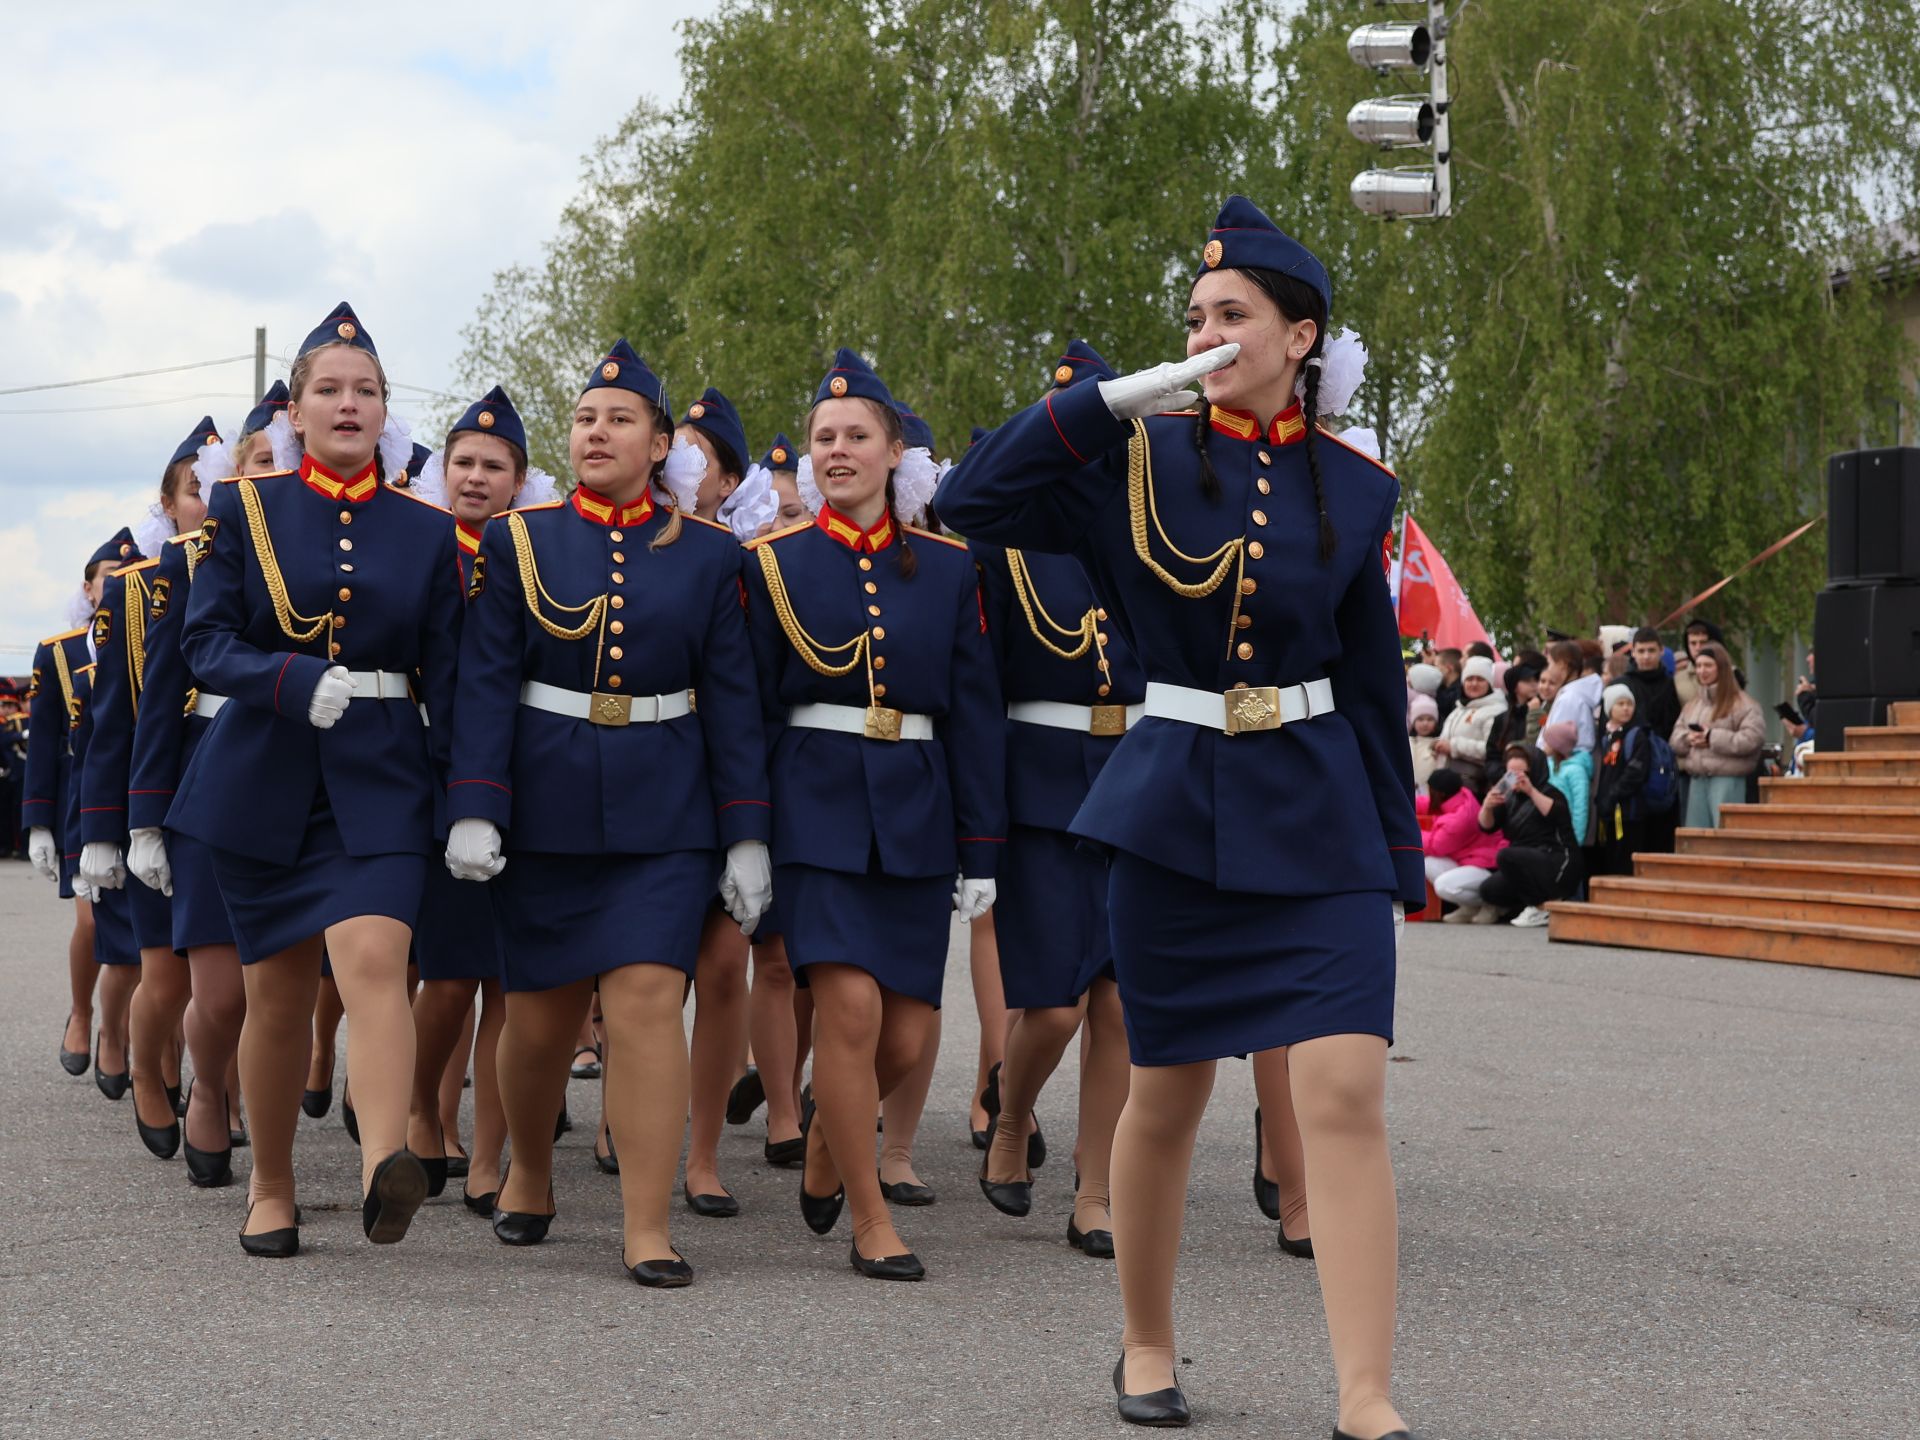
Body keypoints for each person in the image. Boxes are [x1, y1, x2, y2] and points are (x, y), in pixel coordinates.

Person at [938, 195, 1423, 1439]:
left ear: (1300, 335)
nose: (1209, 332)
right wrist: (1121, 395)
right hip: (1171, 806)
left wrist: (1398, 863)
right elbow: (973, 500)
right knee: (1167, 1092)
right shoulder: (1130, 461)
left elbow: (1371, 684)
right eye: (1196, 315)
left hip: (1316, 811)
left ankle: (1365, 1392)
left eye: (1234, 315)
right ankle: (1146, 1343)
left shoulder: (1357, 490)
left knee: (1346, 1093)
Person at [444, 340, 771, 1287]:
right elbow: (485, 682)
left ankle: (645, 1224)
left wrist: (747, 831)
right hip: (543, 808)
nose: (596, 431)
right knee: (541, 1023)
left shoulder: (711, 555)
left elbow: (735, 698)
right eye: (586, 417)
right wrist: (476, 805)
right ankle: (532, 1174)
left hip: (665, 811)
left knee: (643, 1007)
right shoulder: (521, 538)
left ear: (661, 443)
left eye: (619, 419)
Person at [167, 302, 464, 1258]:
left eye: (365, 391)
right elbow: (204, 644)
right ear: (294, 412)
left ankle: (387, 1164)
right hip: (261, 779)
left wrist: (470, 804)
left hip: (380, 775)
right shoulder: (245, 509)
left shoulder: (426, 532)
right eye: (328, 390)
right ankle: (272, 1184)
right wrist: (292, 680)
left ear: (387, 412)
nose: (348, 404)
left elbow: (451, 681)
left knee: (375, 958)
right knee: (280, 997)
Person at [742, 348, 1004, 1282]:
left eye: (858, 437)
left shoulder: (945, 566)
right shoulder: (770, 564)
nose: (838, 451)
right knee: (846, 1013)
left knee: (903, 1032)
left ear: (897, 452)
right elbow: (748, 709)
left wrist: (983, 849)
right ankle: (868, 1215)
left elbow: (973, 712)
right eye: (824, 439)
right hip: (813, 802)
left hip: (919, 807)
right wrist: (748, 832)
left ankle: (827, 1142)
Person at [971, 340, 1144, 1259]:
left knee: (1120, 1003)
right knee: (1058, 1004)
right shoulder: (1005, 539)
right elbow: (980, 684)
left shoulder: (1156, 530)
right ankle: (1012, 1112)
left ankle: (1095, 1187)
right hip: (1042, 784)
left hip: (1141, 772)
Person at [126, 387, 288, 1186]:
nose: (278, 472)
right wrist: (142, 819)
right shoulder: (190, 561)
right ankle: (206, 1086)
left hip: (310, 774)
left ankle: (267, 1126)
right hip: (214, 769)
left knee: (287, 991)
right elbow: (160, 700)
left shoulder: (345, 552)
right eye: (262, 461)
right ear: (235, 476)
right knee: (219, 994)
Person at [402, 386, 557, 1215]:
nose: (473, 477)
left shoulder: (540, 554)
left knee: (510, 980)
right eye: (461, 462)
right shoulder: (423, 548)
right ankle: (423, 1107)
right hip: (435, 775)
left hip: (526, 777)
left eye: (492, 466)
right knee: (452, 977)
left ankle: (493, 1152)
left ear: (519, 478)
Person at [79, 418, 224, 1161]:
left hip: (234, 792)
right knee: (163, 972)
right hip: (156, 795)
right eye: (195, 490)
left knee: (231, 983)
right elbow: (117, 720)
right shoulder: (138, 592)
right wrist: (106, 829)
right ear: (169, 506)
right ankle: (144, 1067)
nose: (209, 499)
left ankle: (215, 1089)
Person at [24, 608, 105, 1082]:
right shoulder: (61, 650)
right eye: (110, 574)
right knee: (93, 921)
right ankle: (81, 1012)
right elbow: (44, 741)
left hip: (145, 783)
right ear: (89, 586)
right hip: (80, 795)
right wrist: (37, 820)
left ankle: (148, 1046)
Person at [1475, 744, 1582, 927]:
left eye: (1521, 773)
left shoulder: (1551, 793)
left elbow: (1557, 814)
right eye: (1510, 774)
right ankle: (1523, 906)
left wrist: (1531, 791)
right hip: (1525, 859)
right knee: (1489, 890)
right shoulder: (1509, 797)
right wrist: (1487, 806)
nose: (1516, 779)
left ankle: (1540, 907)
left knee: (1506, 856)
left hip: (1558, 860)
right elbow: (1487, 827)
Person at [1671, 641, 1763, 828]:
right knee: (1697, 843)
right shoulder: (1693, 704)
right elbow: (1674, 738)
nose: (1702, 671)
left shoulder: (1744, 704)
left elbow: (1752, 739)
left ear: (1721, 668)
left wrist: (1712, 738)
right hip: (1697, 780)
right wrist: (1688, 739)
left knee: (1726, 839)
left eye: (1708, 665)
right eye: (1698, 666)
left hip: (1728, 780)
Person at [1423, 768, 1507, 922]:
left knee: (1443, 886)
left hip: (1486, 866)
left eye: (1431, 791)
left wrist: (1405, 834)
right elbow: (1425, 803)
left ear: (1440, 793)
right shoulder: (1459, 796)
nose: (1429, 794)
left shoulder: (1461, 818)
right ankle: (1469, 907)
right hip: (1469, 860)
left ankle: (1493, 903)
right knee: (1427, 863)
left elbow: (1434, 845)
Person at [1591, 684, 1652, 876]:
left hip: (1629, 812)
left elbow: (1635, 772)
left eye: (1629, 704)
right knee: (1610, 859)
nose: (1626, 708)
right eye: (1620, 704)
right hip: (1609, 811)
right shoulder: (1605, 738)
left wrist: (1614, 794)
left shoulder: (1637, 735)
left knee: (1626, 861)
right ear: (1610, 709)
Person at [1432, 654, 1506, 791]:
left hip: (1473, 787)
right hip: (1446, 785)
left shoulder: (1497, 711)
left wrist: (1454, 746)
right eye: (1469, 679)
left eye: (1480, 679)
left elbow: (1491, 750)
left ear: (1489, 683)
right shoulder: (1458, 709)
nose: (1474, 684)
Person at [1537, 721, 1593, 862]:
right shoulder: (1547, 765)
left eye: (1548, 742)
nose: (1544, 746)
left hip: (1566, 835)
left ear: (1558, 746)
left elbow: (1581, 806)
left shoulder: (1576, 771)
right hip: (1548, 832)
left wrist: (1575, 840)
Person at [1543, 640, 1601, 753]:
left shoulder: (1569, 699)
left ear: (1562, 665)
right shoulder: (1572, 695)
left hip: (1565, 764)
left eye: (1550, 663)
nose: (1548, 669)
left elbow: (1557, 743)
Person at [1407, 693, 1440, 791]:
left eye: (1430, 719)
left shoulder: (1437, 745)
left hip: (1429, 794)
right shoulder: (1407, 742)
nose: (1425, 723)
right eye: (1420, 719)